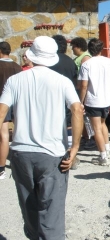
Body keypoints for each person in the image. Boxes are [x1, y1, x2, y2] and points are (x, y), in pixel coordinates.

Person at [0, 36, 83, 239]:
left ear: (31, 56)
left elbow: (1, 112)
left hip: (21, 153)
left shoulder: (15, 80)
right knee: (51, 212)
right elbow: (77, 110)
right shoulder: (62, 82)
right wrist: (75, 147)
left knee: (29, 207)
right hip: (52, 154)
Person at [78, 38, 110, 166]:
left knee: (96, 129)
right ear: (101, 49)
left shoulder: (86, 65)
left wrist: (81, 102)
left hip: (93, 100)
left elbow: (84, 85)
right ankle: (107, 149)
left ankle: (102, 156)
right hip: (107, 100)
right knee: (103, 124)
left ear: (89, 49)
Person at [50, 34, 79, 168]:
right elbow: (75, 81)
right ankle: (68, 157)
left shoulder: (49, 61)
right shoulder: (70, 62)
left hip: (51, 99)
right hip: (68, 98)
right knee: (68, 126)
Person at [0, 42, 22, 179]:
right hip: (17, 102)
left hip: (2, 103)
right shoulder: (17, 67)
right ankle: (17, 164)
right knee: (18, 133)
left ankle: (1, 168)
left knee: (3, 135)